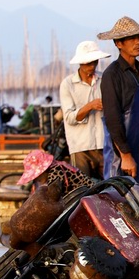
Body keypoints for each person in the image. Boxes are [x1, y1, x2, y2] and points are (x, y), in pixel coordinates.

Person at [98, 16, 139, 182]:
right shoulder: (112, 75)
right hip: (122, 156)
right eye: (131, 38)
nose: (138, 42)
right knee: (119, 200)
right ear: (118, 43)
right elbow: (112, 118)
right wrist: (126, 155)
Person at [59, 41, 108, 179]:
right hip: (80, 147)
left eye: (94, 62)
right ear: (80, 63)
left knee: (109, 189)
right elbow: (69, 117)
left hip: (103, 144)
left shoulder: (104, 79)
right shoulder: (68, 84)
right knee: (82, 191)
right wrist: (90, 106)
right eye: (88, 63)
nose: (91, 66)